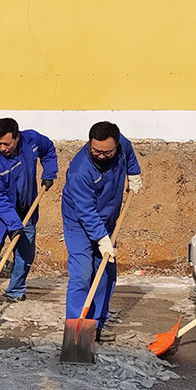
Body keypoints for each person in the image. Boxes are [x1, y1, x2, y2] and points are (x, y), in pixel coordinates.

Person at [61, 120, 142, 343]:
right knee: (81, 274)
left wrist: (133, 173)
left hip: (108, 218)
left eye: (107, 152)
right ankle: (77, 328)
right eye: (96, 150)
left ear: (115, 145)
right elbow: (86, 211)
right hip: (79, 222)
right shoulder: (81, 170)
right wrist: (101, 239)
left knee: (106, 271)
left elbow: (129, 151)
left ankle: (98, 324)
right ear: (90, 143)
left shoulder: (121, 144)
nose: (101, 155)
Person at [0, 117, 58, 302]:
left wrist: (49, 172)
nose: (2, 148)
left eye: (6, 144)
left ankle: (16, 290)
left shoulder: (32, 140)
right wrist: (13, 223)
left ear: (17, 137)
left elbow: (48, 149)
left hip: (25, 207)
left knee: (26, 253)